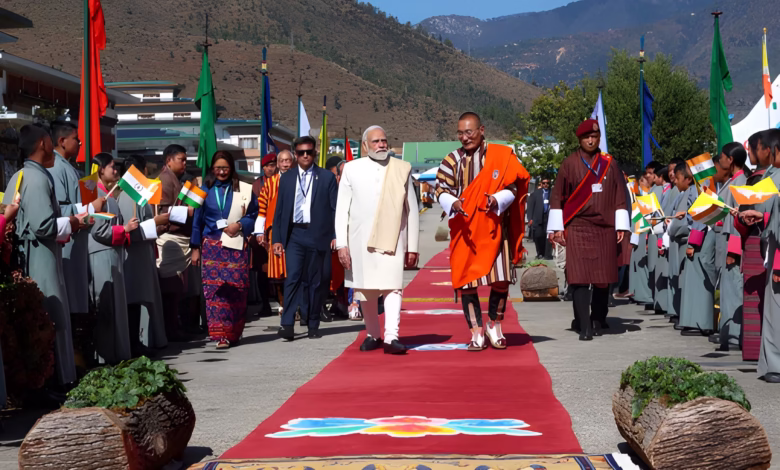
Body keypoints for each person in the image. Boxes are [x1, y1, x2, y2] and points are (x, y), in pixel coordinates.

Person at [436, 112, 529, 350]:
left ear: (482, 130)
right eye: (460, 133)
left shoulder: (501, 155)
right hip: (466, 229)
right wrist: (453, 202)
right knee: (467, 282)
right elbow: (441, 189)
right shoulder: (451, 160)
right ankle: (476, 331)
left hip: (495, 227)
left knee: (501, 280)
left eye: (469, 132)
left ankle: (494, 325)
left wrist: (497, 200)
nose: (464, 138)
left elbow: (513, 186)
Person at [2, 124, 86, 386]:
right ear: (43, 144)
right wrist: (71, 223)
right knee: (50, 317)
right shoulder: (36, 178)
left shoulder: (21, 175)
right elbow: (43, 226)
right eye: (51, 141)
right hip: (40, 255)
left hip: (34, 252)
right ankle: (52, 382)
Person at [336, 126, 420, 354]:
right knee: (365, 290)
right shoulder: (351, 169)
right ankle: (373, 334)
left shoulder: (401, 168)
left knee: (393, 287)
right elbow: (341, 210)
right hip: (359, 241)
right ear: (365, 146)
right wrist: (342, 244)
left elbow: (411, 210)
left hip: (392, 239)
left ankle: (392, 337)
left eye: (384, 140)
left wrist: (412, 246)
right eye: (376, 141)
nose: (381, 145)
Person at [547, 119, 629, 341]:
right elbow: (557, 197)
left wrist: (621, 224)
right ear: (580, 140)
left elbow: (620, 194)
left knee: (603, 277)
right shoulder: (569, 164)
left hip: (605, 228)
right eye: (586, 137)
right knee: (579, 277)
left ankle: (598, 318)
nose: (591, 140)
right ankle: (583, 324)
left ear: (599, 138)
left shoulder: (610, 164)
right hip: (577, 227)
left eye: (594, 136)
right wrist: (556, 229)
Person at [272, 136, 338, 341]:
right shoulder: (287, 178)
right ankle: (287, 324)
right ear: (295, 154)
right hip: (295, 235)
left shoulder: (326, 177)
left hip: (318, 235)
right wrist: (277, 239)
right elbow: (280, 210)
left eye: (309, 151)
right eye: (301, 152)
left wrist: (336, 236)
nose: (306, 155)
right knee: (293, 278)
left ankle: (313, 323)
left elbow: (336, 209)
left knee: (316, 282)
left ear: (315, 153)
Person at [191, 151, 258, 349]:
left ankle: (234, 332)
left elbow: (254, 214)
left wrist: (240, 224)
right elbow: (196, 220)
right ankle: (221, 335)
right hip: (212, 246)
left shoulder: (244, 189)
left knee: (236, 291)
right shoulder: (203, 190)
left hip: (236, 245)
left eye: (225, 168)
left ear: (232, 168)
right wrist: (195, 247)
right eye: (218, 168)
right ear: (212, 169)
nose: (222, 172)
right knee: (215, 292)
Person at [88, 153, 139, 364]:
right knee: (106, 306)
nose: (116, 170)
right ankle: (105, 357)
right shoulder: (96, 195)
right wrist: (124, 229)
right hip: (102, 255)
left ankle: (113, 354)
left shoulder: (108, 195)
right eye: (111, 167)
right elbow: (98, 231)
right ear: (100, 170)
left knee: (113, 306)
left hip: (111, 253)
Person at [117, 155, 170, 356]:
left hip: (142, 253)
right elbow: (131, 231)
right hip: (134, 255)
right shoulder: (128, 196)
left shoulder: (136, 196)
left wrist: (157, 227)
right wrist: (155, 223)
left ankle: (139, 341)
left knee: (139, 298)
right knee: (134, 299)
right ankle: (134, 343)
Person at [155, 144, 196, 341]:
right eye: (182, 159)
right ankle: (170, 329)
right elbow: (162, 212)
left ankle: (174, 326)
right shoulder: (164, 180)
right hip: (169, 237)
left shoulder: (175, 180)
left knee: (176, 289)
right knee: (170, 288)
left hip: (179, 237)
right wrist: (186, 211)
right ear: (169, 160)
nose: (185, 163)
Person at [670, 164, 716, 336]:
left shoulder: (700, 189)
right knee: (694, 280)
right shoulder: (697, 189)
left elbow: (700, 216)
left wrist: (693, 243)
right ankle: (694, 321)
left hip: (701, 236)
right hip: (699, 235)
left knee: (700, 280)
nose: (676, 181)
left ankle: (701, 322)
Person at [711, 143, 748, 350]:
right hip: (724, 243)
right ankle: (728, 334)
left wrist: (733, 251)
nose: (721, 160)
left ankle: (734, 337)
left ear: (730, 160)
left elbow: (737, 219)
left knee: (733, 291)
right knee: (726, 291)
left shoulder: (740, 182)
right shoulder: (733, 182)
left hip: (731, 245)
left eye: (723, 157)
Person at [255, 149, 295, 319]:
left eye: (288, 161)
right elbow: (262, 209)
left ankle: (297, 307)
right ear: (278, 164)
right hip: (275, 233)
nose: (285, 164)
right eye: (282, 161)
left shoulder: (300, 181)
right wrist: (259, 231)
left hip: (297, 232)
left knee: (296, 271)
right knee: (278, 273)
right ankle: (283, 305)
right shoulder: (270, 184)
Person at [250, 153, 277, 318]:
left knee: (281, 269)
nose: (270, 168)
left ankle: (283, 304)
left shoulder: (282, 181)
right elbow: (253, 210)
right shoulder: (255, 185)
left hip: (276, 231)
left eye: (273, 165)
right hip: (260, 232)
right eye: (267, 166)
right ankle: (265, 304)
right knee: (262, 271)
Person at [528, 177, 552, 260]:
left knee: (547, 236)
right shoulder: (535, 194)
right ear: (541, 184)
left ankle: (547, 254)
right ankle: (539, 252)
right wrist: (530, 218)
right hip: (537, 217)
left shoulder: (552, 193)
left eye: (547, 183)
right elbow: (530, 207)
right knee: (538, 236)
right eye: (544, 183)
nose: (546, 185)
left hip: (548, 217)